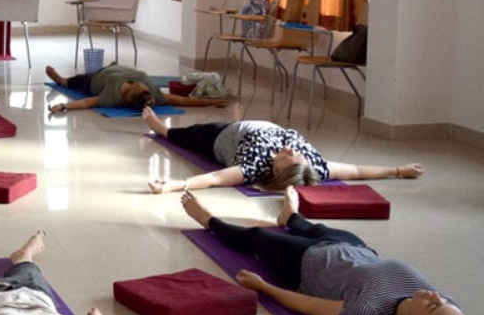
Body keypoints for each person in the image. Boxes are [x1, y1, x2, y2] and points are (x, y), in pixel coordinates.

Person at [181, 187, 475, 315]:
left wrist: (264, 286)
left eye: (434, 305)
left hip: (306, 263)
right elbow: (444, 314)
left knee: (258, 237)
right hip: (354, 248)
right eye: (444, 300)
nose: (437, 296)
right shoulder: (440, 305)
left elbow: (309, 305)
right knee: (313, 227)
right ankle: (290, 216)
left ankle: (209, 220)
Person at [143, 107, 426, 193]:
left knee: (190, 134)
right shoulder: (314, 164)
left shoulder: (255, 167)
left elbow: (215, 179)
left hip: (222, 138)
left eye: (288, 157)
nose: (290, 150)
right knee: (227, 125)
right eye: (296, 154)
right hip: (255, 126)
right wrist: (399, 170)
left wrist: (176, 185)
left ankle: (161, 128)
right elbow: (355, 170)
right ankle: (236, 120)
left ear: (275, 172)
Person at [45, 64, 227, 113]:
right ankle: (110, 65)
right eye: (144, 87)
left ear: (130, 98)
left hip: (94, 80)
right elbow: (180, 99)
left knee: (74, 82)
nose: (143, 84)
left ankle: (61, 79)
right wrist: (211, 101)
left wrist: (63, 107)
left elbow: (85, 103)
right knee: (108, 68)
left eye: (141, 88)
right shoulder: (150, 90)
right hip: (111, 70)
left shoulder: (111, 97)